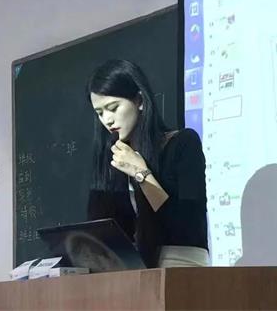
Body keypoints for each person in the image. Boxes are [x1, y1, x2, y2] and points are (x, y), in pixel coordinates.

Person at [86, 59, 208, 268]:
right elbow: (101, 231)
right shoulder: (113, 158)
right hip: (133, 269)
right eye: (99, 113)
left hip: (182, 265)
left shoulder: (183, 143)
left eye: (113, 108)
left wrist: (141, 174)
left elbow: (186, 224)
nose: (107, 119)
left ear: (140, 101)